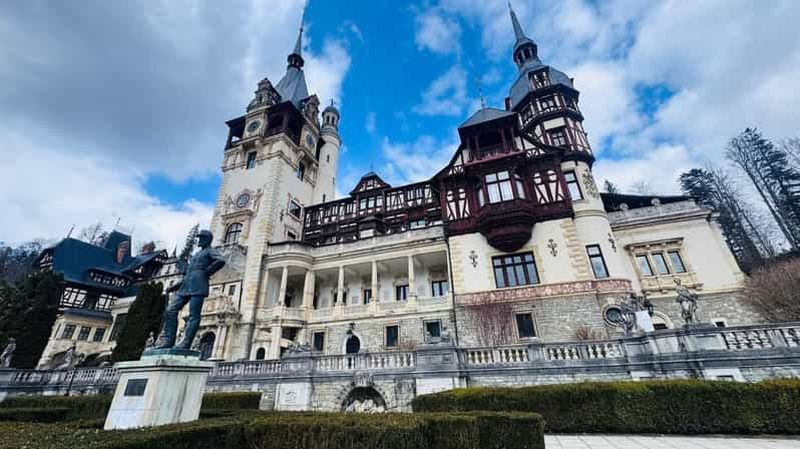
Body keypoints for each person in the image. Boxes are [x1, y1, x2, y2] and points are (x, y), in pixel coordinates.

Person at [155, 230, 225, 350]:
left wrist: (207, 272)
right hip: (186, 285)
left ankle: (186, 343)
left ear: (207, 239)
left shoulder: (210, 251)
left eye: (201, 238)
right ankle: (168, 340)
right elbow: (188, 274)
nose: (199, 240)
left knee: (194, 315)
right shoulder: (196, 255)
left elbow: (221, 260)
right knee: (170, 310)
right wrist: (174, 286)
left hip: (199, 284)